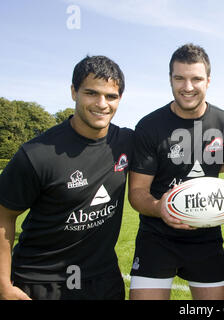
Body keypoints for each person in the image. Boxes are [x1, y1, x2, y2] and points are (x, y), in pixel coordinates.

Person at [0, 55, 133, 300]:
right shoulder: (36, 153)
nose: (102, 103)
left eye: (111, 96)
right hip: (41, 282)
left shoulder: (127, 142)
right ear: (74, 92)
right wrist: (3, 286)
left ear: (120, 99)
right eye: (91, 93)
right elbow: (3, 216)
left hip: (104, 281)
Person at [128, 43, 224, 300]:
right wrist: (160, 208)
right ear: (170, 79)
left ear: (208, 81)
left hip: (207, 237)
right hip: (156, 236)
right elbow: (137, 192)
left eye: (196, 79)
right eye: (180, 78)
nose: (188, 87)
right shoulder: (149, 126)